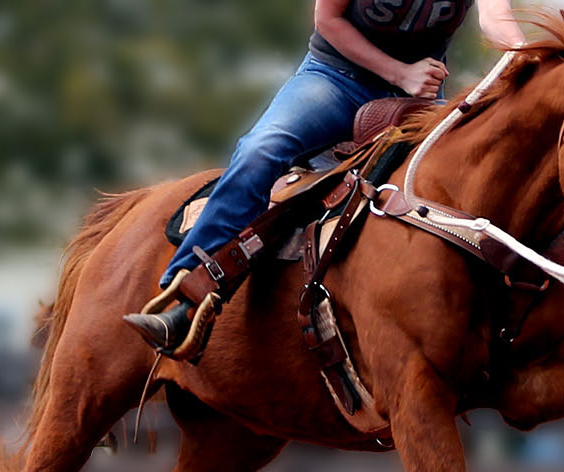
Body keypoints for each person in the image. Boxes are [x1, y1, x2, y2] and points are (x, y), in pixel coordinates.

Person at [123, 0, 528, 346]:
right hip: (337, 78)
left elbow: (496, 20)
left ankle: (545, 319)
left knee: (483, 175)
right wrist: (400, 74)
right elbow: (328, 21)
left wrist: (534, 55)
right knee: (262, 151)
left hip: (418, 95)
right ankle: (184, 298)